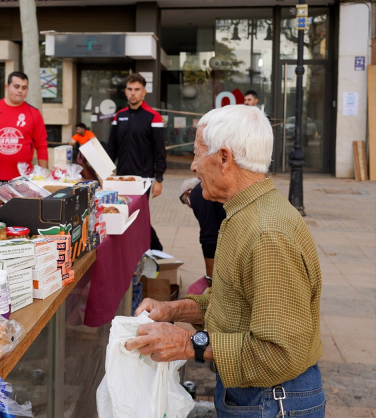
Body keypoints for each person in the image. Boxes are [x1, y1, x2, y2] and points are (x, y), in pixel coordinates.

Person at [126, 104, 325, 417]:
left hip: (272, 400)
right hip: (255, 395)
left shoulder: (267, 235)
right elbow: (231, 305)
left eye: (197, 154)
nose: (193, 166)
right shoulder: (242, 214)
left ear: (223, 158)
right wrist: (173, 310)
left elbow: (277, 353)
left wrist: (186, 343)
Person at [106, 73, 166, 250]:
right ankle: (133, 250)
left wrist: (159, 179)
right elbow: (112, 149)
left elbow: (159, 151)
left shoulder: (153, 117)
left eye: (137, 89)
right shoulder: (119, 116)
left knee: (139, 217)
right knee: (123, 215)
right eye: (130, 89)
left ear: (144, 92)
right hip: (121, 179)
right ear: (125, 92)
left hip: (143, 180)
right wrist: (106, 174)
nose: (133, 93)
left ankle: (155, 249)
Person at [179, 178, 226, 294]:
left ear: (187, 194)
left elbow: (208, 238)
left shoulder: (197, 194)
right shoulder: (209, 188)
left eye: (183, 201)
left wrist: (210, 279)